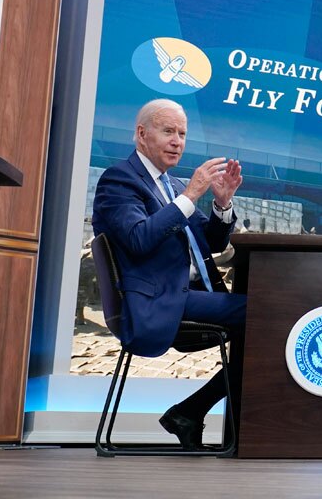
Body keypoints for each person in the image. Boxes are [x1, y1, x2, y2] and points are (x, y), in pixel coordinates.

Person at [91, 98, 246, 449]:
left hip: (188, 296)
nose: (178, 141)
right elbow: (139, 238)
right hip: (157, 301)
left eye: (182, 133)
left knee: (268, 322)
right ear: (142, 135)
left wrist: (221, 204)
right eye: (168, 131)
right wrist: (191, 195)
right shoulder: (120, 180)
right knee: (268, 319)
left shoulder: (172, 186)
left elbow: (211, 244)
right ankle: (191, 411)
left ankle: (189, 412)